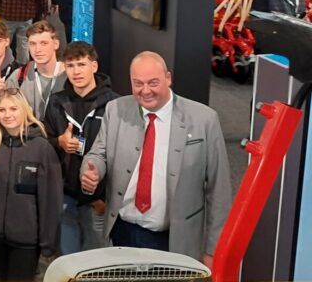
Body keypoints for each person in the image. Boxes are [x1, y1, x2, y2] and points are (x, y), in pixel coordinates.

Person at [81, 52, 231, 265]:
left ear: (168, 79)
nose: (145, 91)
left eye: (153, 83)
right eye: (138, 83)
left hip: (174, 242)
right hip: (121, 233)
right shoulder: (115, 110)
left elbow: (219, 190)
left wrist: (213, 250)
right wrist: (93, 170)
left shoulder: (204, 120)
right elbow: (98, 153)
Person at [0, 89, 61, 282]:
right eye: (2, 110)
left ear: (24, 110)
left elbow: (51, 199)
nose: (7, 115)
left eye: (13, 109)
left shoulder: (41, 148)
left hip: (26, 240)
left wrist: (48, 243)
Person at [41, 41, 117, 254]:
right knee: (69, 261)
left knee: (96, 263)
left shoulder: (114, 105)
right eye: (70, 65)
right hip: (65, 196)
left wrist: (104, 197)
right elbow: (43, 142)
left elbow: (122, 156)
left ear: (94, 66)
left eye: (81, 64)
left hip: (98, 201)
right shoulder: (56, 102)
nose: (76, 71)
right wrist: (59, 142)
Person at [6, 21, 65, 117]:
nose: (38, 50)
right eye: (33, 44)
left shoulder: (70, 76)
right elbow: (3, 109)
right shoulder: (18, 77)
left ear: (56, 44)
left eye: (44, 43)